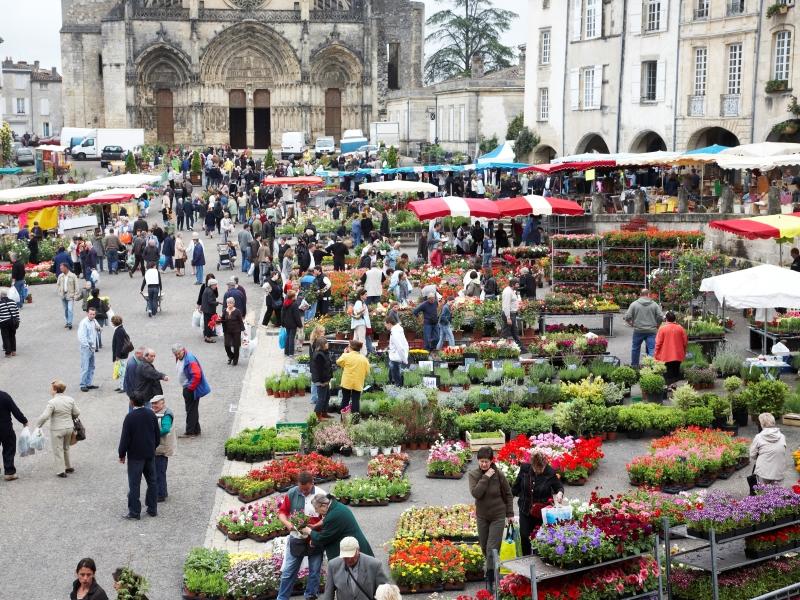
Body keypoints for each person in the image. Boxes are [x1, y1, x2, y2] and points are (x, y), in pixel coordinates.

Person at [469, 446, 514, 591]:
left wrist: (510, 513)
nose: (483, 464)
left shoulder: (499, 474)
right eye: (481, 461)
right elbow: (476, 493)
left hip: (498, 516)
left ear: (491, 461)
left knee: (491, 549)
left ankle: (490, 580)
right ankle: (491, 568)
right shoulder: (474, 474)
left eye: (486, 461)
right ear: (478, 461)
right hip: (482, 516)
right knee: (484, 547)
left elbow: (508, 494)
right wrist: (486, 476)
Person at [275, 472, 326, 600]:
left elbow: (328, 517)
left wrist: (315, 528)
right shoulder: (292, 493)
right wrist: (287, 524)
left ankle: (310, 596)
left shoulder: (322, 495)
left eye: (307, 490)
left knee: (314, 573)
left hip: (314, 538)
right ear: (297, 484)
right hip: (296, 538)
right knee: (288, 572)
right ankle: (282, 598)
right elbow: (282, 512)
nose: (303, 492)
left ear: (312, 483)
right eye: (301, 489)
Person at [512, 450, 564, 556]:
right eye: (536, 468)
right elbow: (515, 487)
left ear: (545, 464)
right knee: (525, 535)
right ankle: (526, 559)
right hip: (525, 508)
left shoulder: (550, 472)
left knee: (540, 537)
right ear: (532, 464)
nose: (538, 471)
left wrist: (559, 493)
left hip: (542, 511)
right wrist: (507, 499)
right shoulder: (525, 469)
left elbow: (558, 487)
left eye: (541, 469)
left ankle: (539, 560)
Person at [118, 392, 160, 520]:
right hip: (149, 453)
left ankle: (135, 512)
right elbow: (157, 435)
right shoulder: (151, 414)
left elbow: (125, 438)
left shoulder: (130, 417)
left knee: (134, 484)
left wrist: (122, 453)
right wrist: (152, 447)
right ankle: (152, 509)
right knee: (152, 481)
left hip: (135, 456)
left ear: (132, 402)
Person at [306, 495, 374, 560]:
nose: (316, 511)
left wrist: (309, 531)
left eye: (316, 508)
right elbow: (327, 519)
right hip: (355, 547)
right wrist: (316, 525)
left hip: (353, 552)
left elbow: (322, 538)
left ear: (323, 505)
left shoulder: (333, 515)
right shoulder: (336, 506)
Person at [35, 380, 80, 478]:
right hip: (69, 428)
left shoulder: (52, 402)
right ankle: (68, 466)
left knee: (57, 449)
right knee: (66, 447)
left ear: (55, 390)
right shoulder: (70, 400)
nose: (50, 390)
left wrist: (38, 425)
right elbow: (77, 412)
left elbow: (45, 416)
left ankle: (61, 470)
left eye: (51, 389)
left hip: (57, 429)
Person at [322, 537, 389, 600]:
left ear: (358, 550)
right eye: (346, 556)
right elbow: (328, 595)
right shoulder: (333, 565)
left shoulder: (374, 565)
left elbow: (385, 594)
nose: (349, 559)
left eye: (351, 555)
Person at [172, 344, 211, 437]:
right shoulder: (182, 357)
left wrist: (190, 388)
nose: (177, 356)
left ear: (183, 350)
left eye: (178, 354)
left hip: (190, 389)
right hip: (188, 387)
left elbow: (197, 375)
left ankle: (190, 432)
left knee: (190, 410)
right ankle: (196, 430)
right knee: (192, 409)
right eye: (175, 355)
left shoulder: (189, 360)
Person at [624, 288, 664, 368]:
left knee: (635, 348)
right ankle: (650, 366)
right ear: (648, 294)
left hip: (638, 330)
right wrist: (658, 325)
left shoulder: (634, 304)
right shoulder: (654, 304)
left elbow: (627, 317)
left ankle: (634, 366)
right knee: (651, 349)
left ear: (640, 295)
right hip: (651, 330)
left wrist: (631, 324)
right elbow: (660, 316)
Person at [150, 394, 176, 502]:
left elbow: (166, 429)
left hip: (162, 448)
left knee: (159, 471)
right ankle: (160, 492)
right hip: (157, 446)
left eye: (156, 403)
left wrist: (153, 435)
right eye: (152, 403)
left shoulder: (166, 414)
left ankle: (161, 494)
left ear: (162, 403)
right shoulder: (155, 412)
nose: (154, 405)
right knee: (157, 471)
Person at [750, 413, 788, 485]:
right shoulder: (782, 436)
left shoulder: (759, 437)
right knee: (777, 494)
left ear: (762, 424)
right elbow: (782, 451)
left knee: (762, 493)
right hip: (778, 471)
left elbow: (752, 455)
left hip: (763, 471)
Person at [336, 340, 370, 415]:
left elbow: (338, 362)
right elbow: (368, 372)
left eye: (348, 346)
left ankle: (343, 418)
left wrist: (344, 353)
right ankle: (355, 419)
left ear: (350, 348)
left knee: (345, 399)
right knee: (356, 400)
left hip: (347, 381)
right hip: (358, 382)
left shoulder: (346, 356)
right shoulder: (364, 359)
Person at [0, 389, 27, 481]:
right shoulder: (4, 396)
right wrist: (24, 421)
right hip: (5, 428)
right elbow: (15, 410)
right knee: (9, 447)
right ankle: (9, 472)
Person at [655, 311, 688, 384]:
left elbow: (658, 343)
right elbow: (685, 342)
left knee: (668, 372)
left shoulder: (662, 329)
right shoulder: (681, 328)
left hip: (666, 355)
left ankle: (669, 386)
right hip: (678, 354)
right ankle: (675, 386)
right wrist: (684, 352)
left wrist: (656, 354)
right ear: (675, 319)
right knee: (676, 370)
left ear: (666, 319)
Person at [77, 308, 100, 392]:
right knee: (85, 367)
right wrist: (87, 346)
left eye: (94, 314)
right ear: (87, 313)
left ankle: (88, 383)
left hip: (92, 348)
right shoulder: (84, 323)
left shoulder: (94, 321)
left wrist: (99, 329)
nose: (92, 316)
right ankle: (83, 384)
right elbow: (81, 336)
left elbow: (98, 328)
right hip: (86, 348)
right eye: (91, 314)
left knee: (91, 366)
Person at [111, 315, 133, 393]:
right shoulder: (120, 329)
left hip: (121, 355)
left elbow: (119, 345)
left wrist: (117, 355)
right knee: (121, 371)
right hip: (123, 354)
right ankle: (121, 386)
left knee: (122, 371)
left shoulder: (119, 331)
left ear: (114, 323)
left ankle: (123, 387)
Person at [221, 296, 245, 366]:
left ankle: (235, 359)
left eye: (231, 303)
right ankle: (231, 356)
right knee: (226, 345)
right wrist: (218, 321)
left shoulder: (237, 311)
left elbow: (240, 321)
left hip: (236, 331)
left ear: (233, 303)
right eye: (228, 303)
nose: (229, 304)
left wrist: (244, 330)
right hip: (227, 331)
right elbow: (222, 319)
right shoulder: (225, 310)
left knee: (236, 346)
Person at [386, 314, 408, 386]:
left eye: (386, 324)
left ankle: (398, 395)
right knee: (395, 379)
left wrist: (404, 359)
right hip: (398, 358)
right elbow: (405, 344)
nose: (385, 326)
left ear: (389, 323)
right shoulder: (398, 330)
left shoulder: (395, 332)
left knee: (397, 383)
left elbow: (399, 347)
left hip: (395, 359)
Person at [57, 262, 81, 329]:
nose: (60, 269)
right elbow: (58, 284)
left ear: (66, 268)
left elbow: (77, 286)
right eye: (60, 268)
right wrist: (59, 292)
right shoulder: (60, 276)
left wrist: (75, 294)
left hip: (70, 295)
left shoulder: (73, 276)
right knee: (65, 309)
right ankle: (67, 321)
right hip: (63, 295)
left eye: (61, 268)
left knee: (70, 309)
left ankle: (70, 323)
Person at [282, 289, 303, 357]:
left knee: (288, 336)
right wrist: (300, 325)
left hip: (287, 323)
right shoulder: (294, 304)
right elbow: (296, 316)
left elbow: (282, 314)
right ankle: (291, 353)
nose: (296, 296)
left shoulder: (285, 303)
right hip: (293, 324)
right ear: (293, 297)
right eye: (295, 295)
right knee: (291, 337)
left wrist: (283, 323)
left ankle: (286, 351)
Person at [501, 278, 522, 346]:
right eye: (517, 284)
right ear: (513, 284)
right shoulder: (508, 291)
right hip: (509, 314)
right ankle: (502, 346)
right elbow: (506, 305)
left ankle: (521, 348)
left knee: (514, 331)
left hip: (512, 314)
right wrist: (508, 317)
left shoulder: (511, 290)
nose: (518, 285)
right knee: (506, 332)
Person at [0, 288, 20, 356]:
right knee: (12, 336)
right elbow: (17, 312)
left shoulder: (0, 304)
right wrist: (18, 321)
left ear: (1, 295)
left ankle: (8, 352)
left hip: (4, 322)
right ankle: (13, 351)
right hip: (13, 321)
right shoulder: (12, 302)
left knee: (5, 337)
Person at [201, 278, 220, 343]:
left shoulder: (207, 289)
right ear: (211, 285)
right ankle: (208, 337)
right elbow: (210, 301)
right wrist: (217, 303)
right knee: (209, 324)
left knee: (206, 324)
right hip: (209, 310)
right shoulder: (210, 291)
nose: (216, 286)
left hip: (206, 310)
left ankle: (206, 336)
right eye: (215, 285)